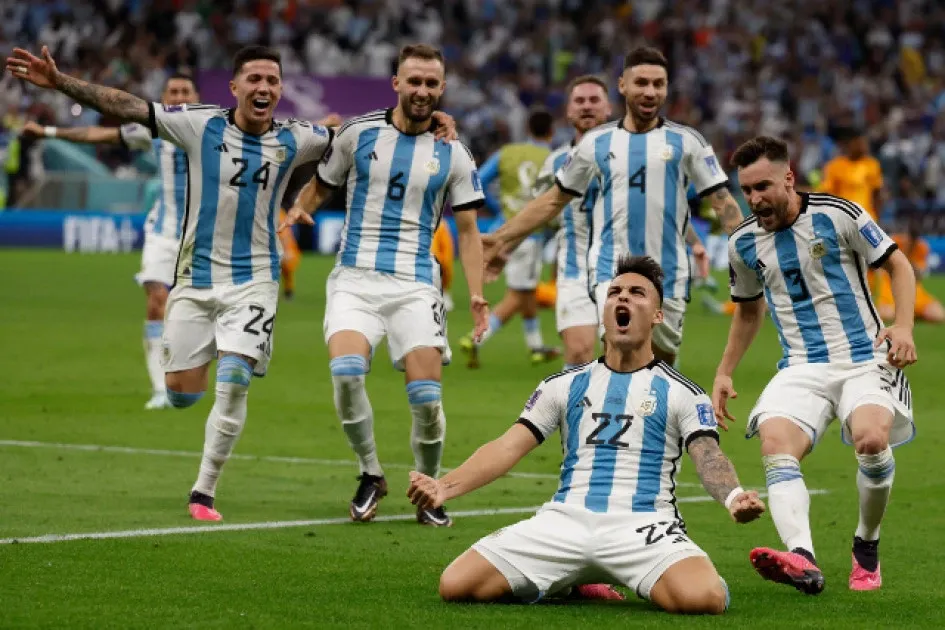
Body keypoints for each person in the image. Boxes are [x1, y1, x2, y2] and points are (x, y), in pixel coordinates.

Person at [6, 44, 461, 522]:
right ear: (235, 87)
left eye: (272, 81)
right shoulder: (198, 124)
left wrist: (430, 118)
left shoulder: (297, 138)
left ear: (280, 90)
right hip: (196, 278)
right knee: (182, 391)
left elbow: (369, 133)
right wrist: (60, 82)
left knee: (235, 380)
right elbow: (127, 106)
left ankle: (203, 492)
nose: (263, 88)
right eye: (254, 79)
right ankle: (191, 380)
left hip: (254, 282)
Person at [407, 254, 765, 611]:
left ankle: (604, 575)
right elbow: (507, 447)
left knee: (705, 598)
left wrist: (733, 498)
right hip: (565, 522)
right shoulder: (562, 385)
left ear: (658, 315)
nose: (623, 298)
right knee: (456, 584)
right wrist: (444, 487)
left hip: (643, 525)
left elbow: (708, 455)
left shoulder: (683, 392)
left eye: (637, 293)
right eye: (615, 292)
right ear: (604, 310)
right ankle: (567, 581)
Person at [282, 44, 489, 527]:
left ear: (441, 89)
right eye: (412, 81)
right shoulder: (360, 133)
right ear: (395, 82)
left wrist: (477, 294)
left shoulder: (453, 152)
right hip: (354, 278)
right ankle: (370, 473)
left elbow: (470, 231)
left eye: (430, 83)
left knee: (427, 401)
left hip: (416, 285)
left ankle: (430, 487)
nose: (421, 90)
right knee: (348, 371)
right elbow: (325, 180)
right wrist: (301, 204)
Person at [714, 136, 918, 594]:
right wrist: (724, 371)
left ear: (789, 177)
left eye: (763, 186)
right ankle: (802, 558)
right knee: (775, 444)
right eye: (746, 190)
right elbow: (748, 311)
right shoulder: (743, 243)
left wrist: (903, 327)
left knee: (870, 439)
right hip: (801, 365)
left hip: (865, 358)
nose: (755, 199)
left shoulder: (838, 213)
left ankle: (866, 544)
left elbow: (899, 265)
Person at [482, 47, 738, 367]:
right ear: (622, 86)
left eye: (658, 84)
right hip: (610, 270)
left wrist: (750, 245)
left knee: (660, 369)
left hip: (669, 274)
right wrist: (500, 238)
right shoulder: (596, 143)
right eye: (641, 82)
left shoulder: (688, 142)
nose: (650, 91)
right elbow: (552, 200)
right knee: (620, 356)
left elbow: (722, 202)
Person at [21, 72, 199, 410]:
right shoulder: (153, 129)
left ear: (196, 95)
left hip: (203, 235)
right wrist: (48, 131)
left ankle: (191, 372)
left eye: (184, 91)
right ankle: (160, 388)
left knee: (196, 312)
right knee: (156, 302)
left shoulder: (216, 129)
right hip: (163, 229)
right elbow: (98, 133)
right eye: (172, 91)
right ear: (163, 96)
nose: (177, 96)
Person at [459, 109, 560, 368]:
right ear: (551, 131)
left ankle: (536, 347)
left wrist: (498, 205)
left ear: (527, 128)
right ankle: (476, 338)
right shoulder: (553, 159)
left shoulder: (506, 153)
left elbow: (477, 179)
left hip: (502, 229)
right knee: (518, 295)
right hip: (530, 234)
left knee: (526, 290)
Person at [534, 75, 612, 370]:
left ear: (608, 109)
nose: (586, 107)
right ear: (568, 111)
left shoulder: (630, 156)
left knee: (624, 356)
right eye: (579, 101)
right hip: (573, 269)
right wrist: (505, 243)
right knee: (579, 355)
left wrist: (693, 243)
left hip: (622, 268)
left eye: (594, 101)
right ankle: (575, 415)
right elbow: (541, 212)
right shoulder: (554, 162)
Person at [875, 223, 944, 323]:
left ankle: (911, 313)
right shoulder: (894, 242)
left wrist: (909, 253)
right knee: (888, 313)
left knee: (938, 315)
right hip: (890, 287)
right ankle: (909, 313)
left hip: (913, 289)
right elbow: (885, 268)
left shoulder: (921, 247)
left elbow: (919, 276)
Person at [818, 127, 884, 222]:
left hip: (867, 219)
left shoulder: (872, 164)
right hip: (844, 220)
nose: (863, 146)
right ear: (849, 144)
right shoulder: (834, 166)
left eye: (864, 143)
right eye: (859, 143)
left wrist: (877, 218)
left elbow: (877, 194)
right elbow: (827, 194)